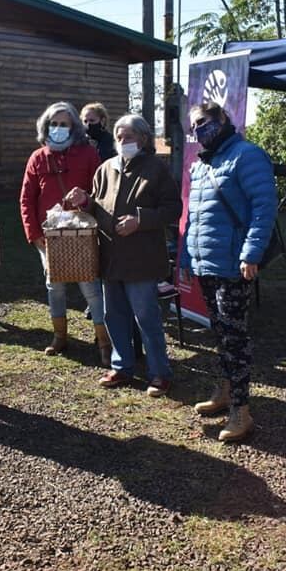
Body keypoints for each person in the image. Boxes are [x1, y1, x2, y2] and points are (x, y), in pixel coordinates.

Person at [179, 102, 277, 441]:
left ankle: (241, 409)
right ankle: (225, 390)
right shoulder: (201, 164)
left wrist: (251, 254)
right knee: (219, 334)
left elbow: (264, 209)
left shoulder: (247, 156)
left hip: (234, 265)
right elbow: (194, 217)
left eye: (203, 122)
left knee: (235, 338)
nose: (198, 130)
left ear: (223, 119)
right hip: (206, 263)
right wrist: (187, 259)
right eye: (193, 127)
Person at [65, 114, 181, 397]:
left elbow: (173, 209)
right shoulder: (105, 168)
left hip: (141, 258)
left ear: (142, 138)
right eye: (118, 136)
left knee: (146, 317)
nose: (122, 141)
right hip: (110, 257)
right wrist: (84, 202)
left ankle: (159, 373)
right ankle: (122, 366)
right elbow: (97, 208)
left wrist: (140, 220)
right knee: (113, 315)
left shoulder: (156, 169)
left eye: (128, 136)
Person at [20, 102, 110, 364]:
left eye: (64, 124)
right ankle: (60, 337)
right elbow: (26, 198)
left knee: (91, 288)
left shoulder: (88, 154)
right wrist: (33, 233)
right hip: (48, 236)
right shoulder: (38, 157)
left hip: (81, 233)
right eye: (54, 124)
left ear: (74, 127)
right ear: (46, 126)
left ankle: (104, 340)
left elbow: (101, 193)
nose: (58, 128)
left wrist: (86, 202)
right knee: (55, 287)